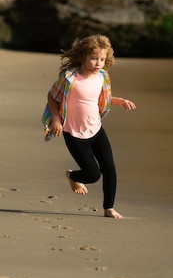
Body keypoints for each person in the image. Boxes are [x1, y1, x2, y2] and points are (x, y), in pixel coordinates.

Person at [42, 35, 136, 219]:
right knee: (93, 175)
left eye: (102, 59)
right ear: (83, 56)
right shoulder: (70, 78)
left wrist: (120, 101)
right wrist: (55, 119)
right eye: (93, 58)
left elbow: (101, 99)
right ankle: (73, 176)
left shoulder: (103, 76)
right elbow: (52, 96)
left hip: (96, 129)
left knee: (109, 168)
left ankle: (109, 208)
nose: (98, 63)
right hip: (74, 133)